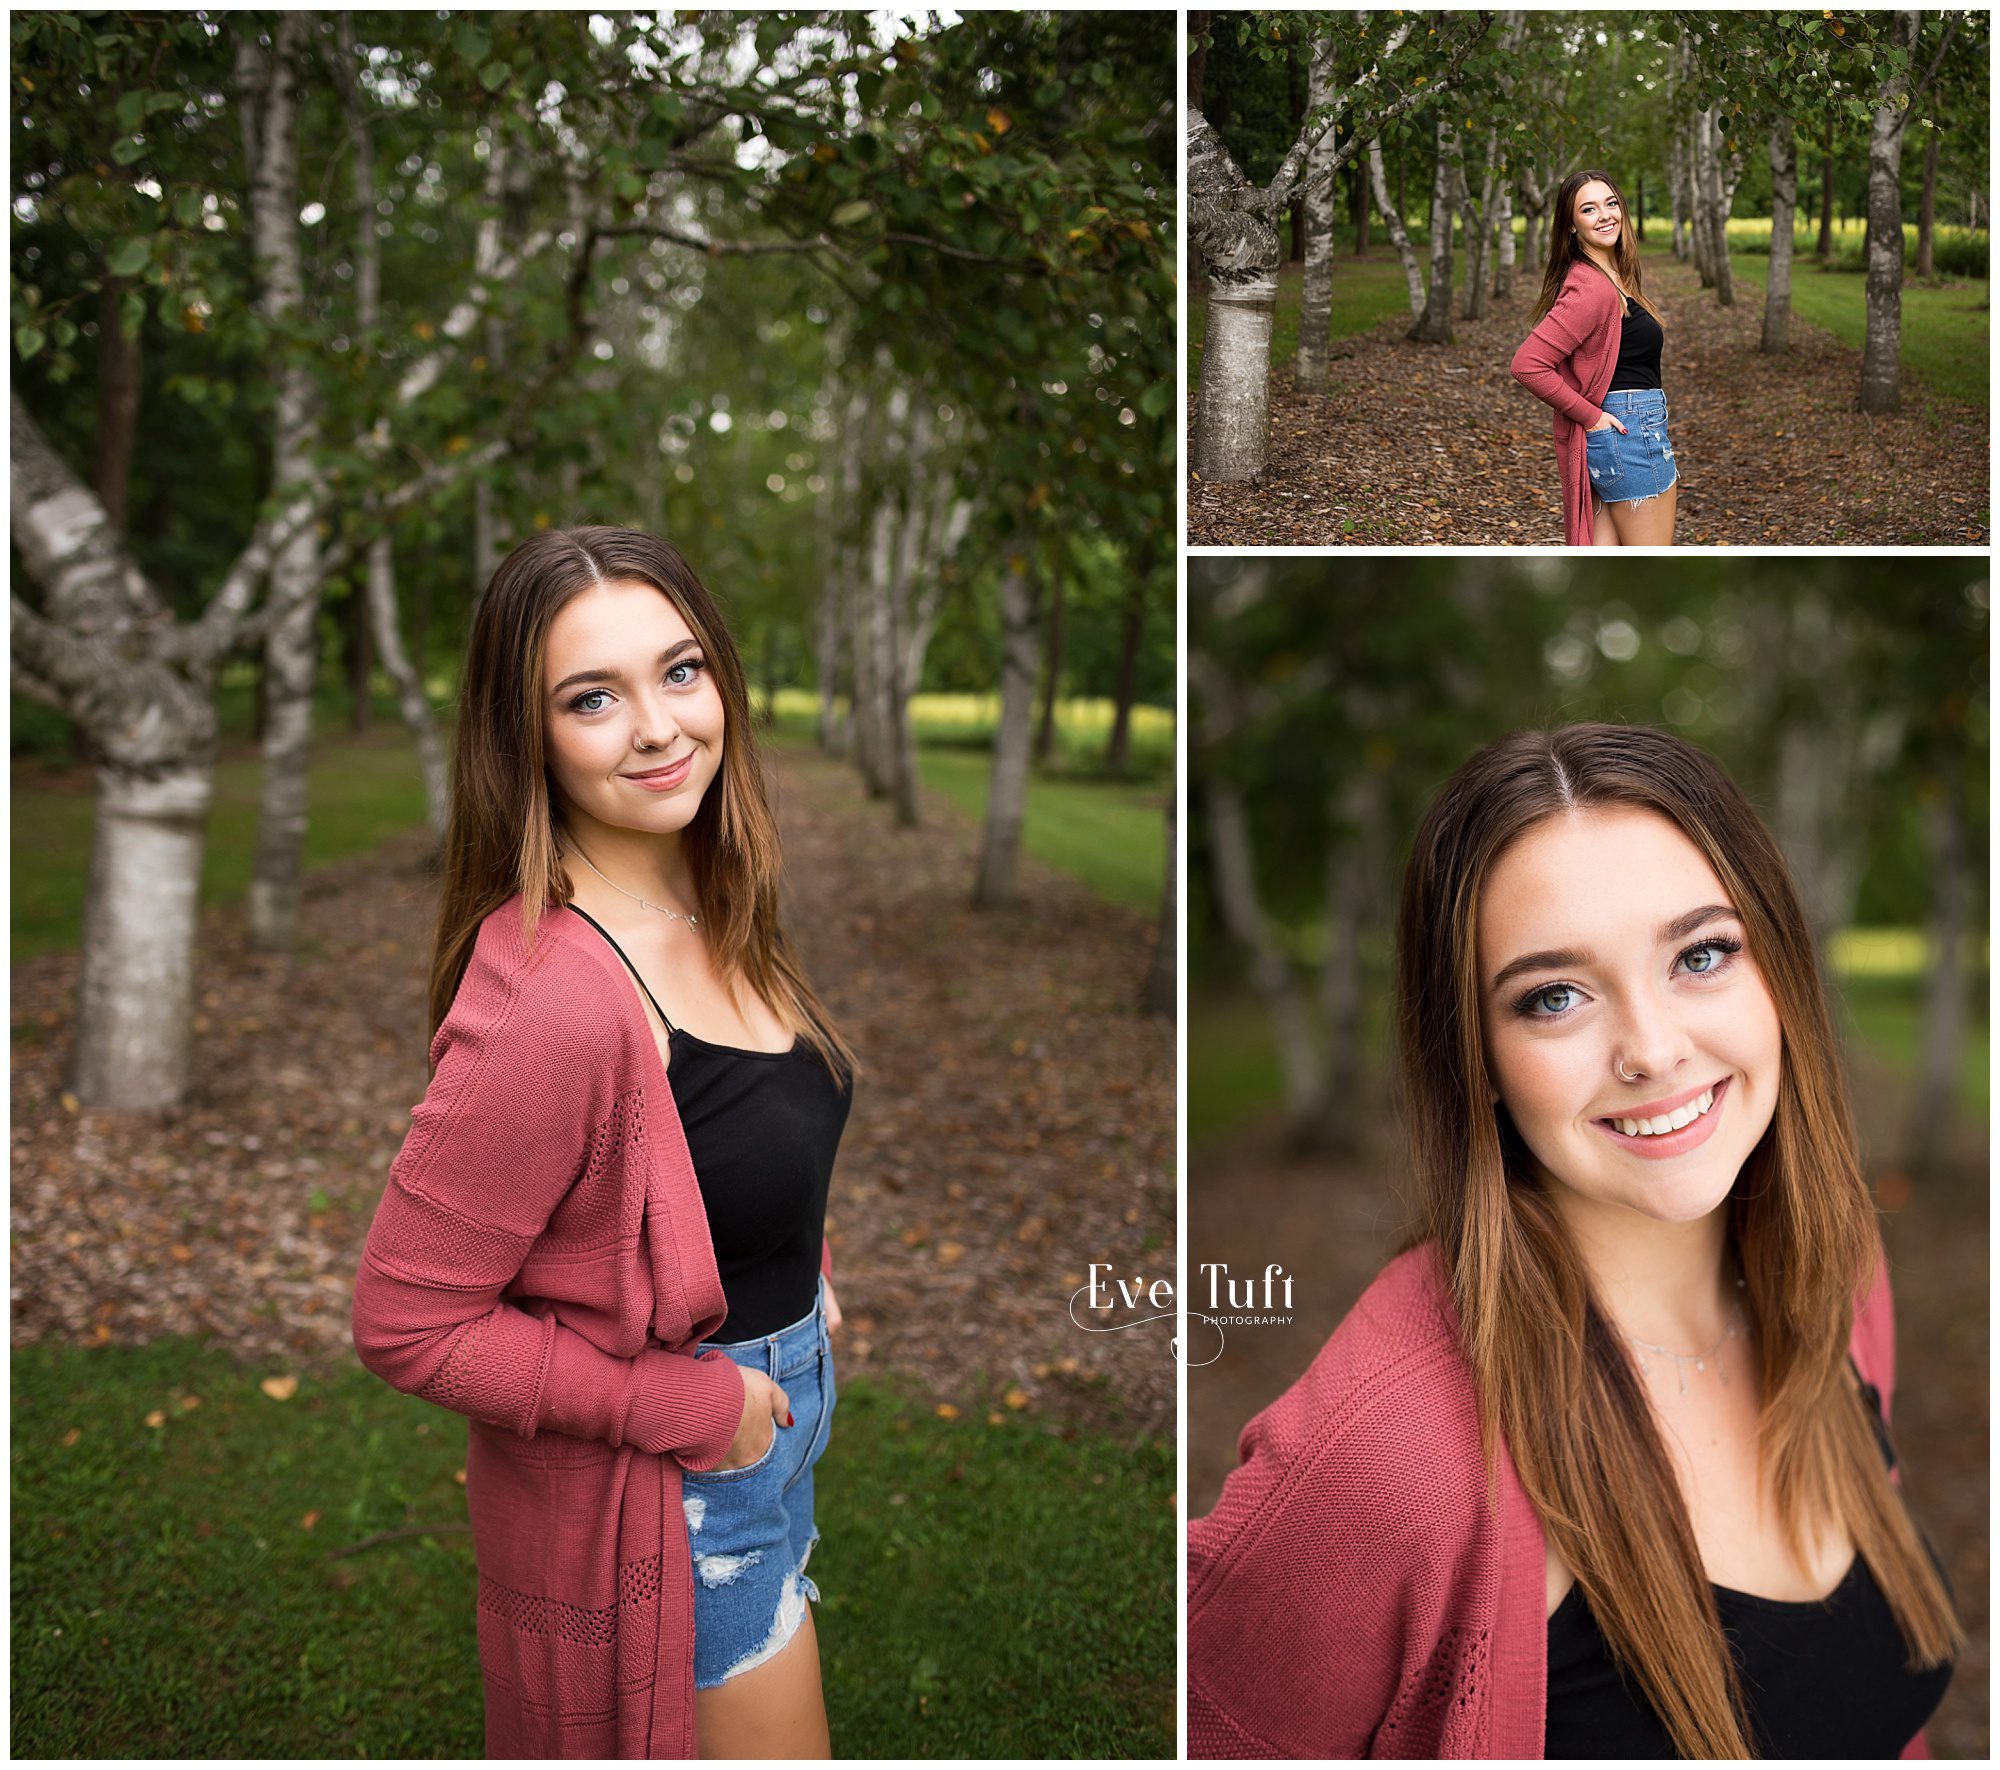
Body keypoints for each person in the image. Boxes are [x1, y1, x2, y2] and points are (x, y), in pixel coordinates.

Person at [1187, 723, 1959, 1759]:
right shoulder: (1385, 1456)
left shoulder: (1835, 1276)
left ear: (1776, 966)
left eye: (1700, 953)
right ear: (1476, 1057)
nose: (1650, 1048)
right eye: (1554, 995)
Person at [351, 526, 857, 1759]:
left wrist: (809, 1280)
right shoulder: (553, 998)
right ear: (523, 739)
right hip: (680, 1489)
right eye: (593, 698)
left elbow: (740, 1141)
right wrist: (683, 1404)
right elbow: (406, 1322)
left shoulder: (709, 888)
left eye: (680, 672)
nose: (658, 727)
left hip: (768, 1431)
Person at [1511, 171, 1679, 548]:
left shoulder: (1610, 275)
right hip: (1630, 432)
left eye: (1611, 203)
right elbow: (1528, 364)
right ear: (1571, 224)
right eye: (1589, 209)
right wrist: (1591, 416)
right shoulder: (1592, 287)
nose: (1605, 215)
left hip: (1619, 433)